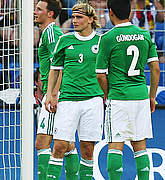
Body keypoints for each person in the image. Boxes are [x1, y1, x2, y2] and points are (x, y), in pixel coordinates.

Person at [95, 0, 160, 179]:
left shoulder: (107, 38)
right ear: (130, 11)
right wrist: (151, 97)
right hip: (140, 97)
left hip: (119, 98)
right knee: (140, 147)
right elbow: (155, 68)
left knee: (115, 146)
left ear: (110, 12)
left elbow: (100, 75)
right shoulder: (144, 34)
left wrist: (108, 95)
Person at [44, 2, 104, 179]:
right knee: (59, 146)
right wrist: (50, 95)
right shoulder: (65, 40)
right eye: (73, 17)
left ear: (91, 19)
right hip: (68, 99)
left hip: (93, 100)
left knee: (87, 149)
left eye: (79, 17)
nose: (74, 21)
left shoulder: (101, 41)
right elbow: (54, 69)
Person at [33, 0, 79, 179]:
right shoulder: (47, 32)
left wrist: (53, 94)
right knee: (66, 144)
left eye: (39, 9)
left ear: (50, 13)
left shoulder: (52, 32)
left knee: (42, 143)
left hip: (55, 94)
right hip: (54, 92)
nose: (34, 12)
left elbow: (61, 64)